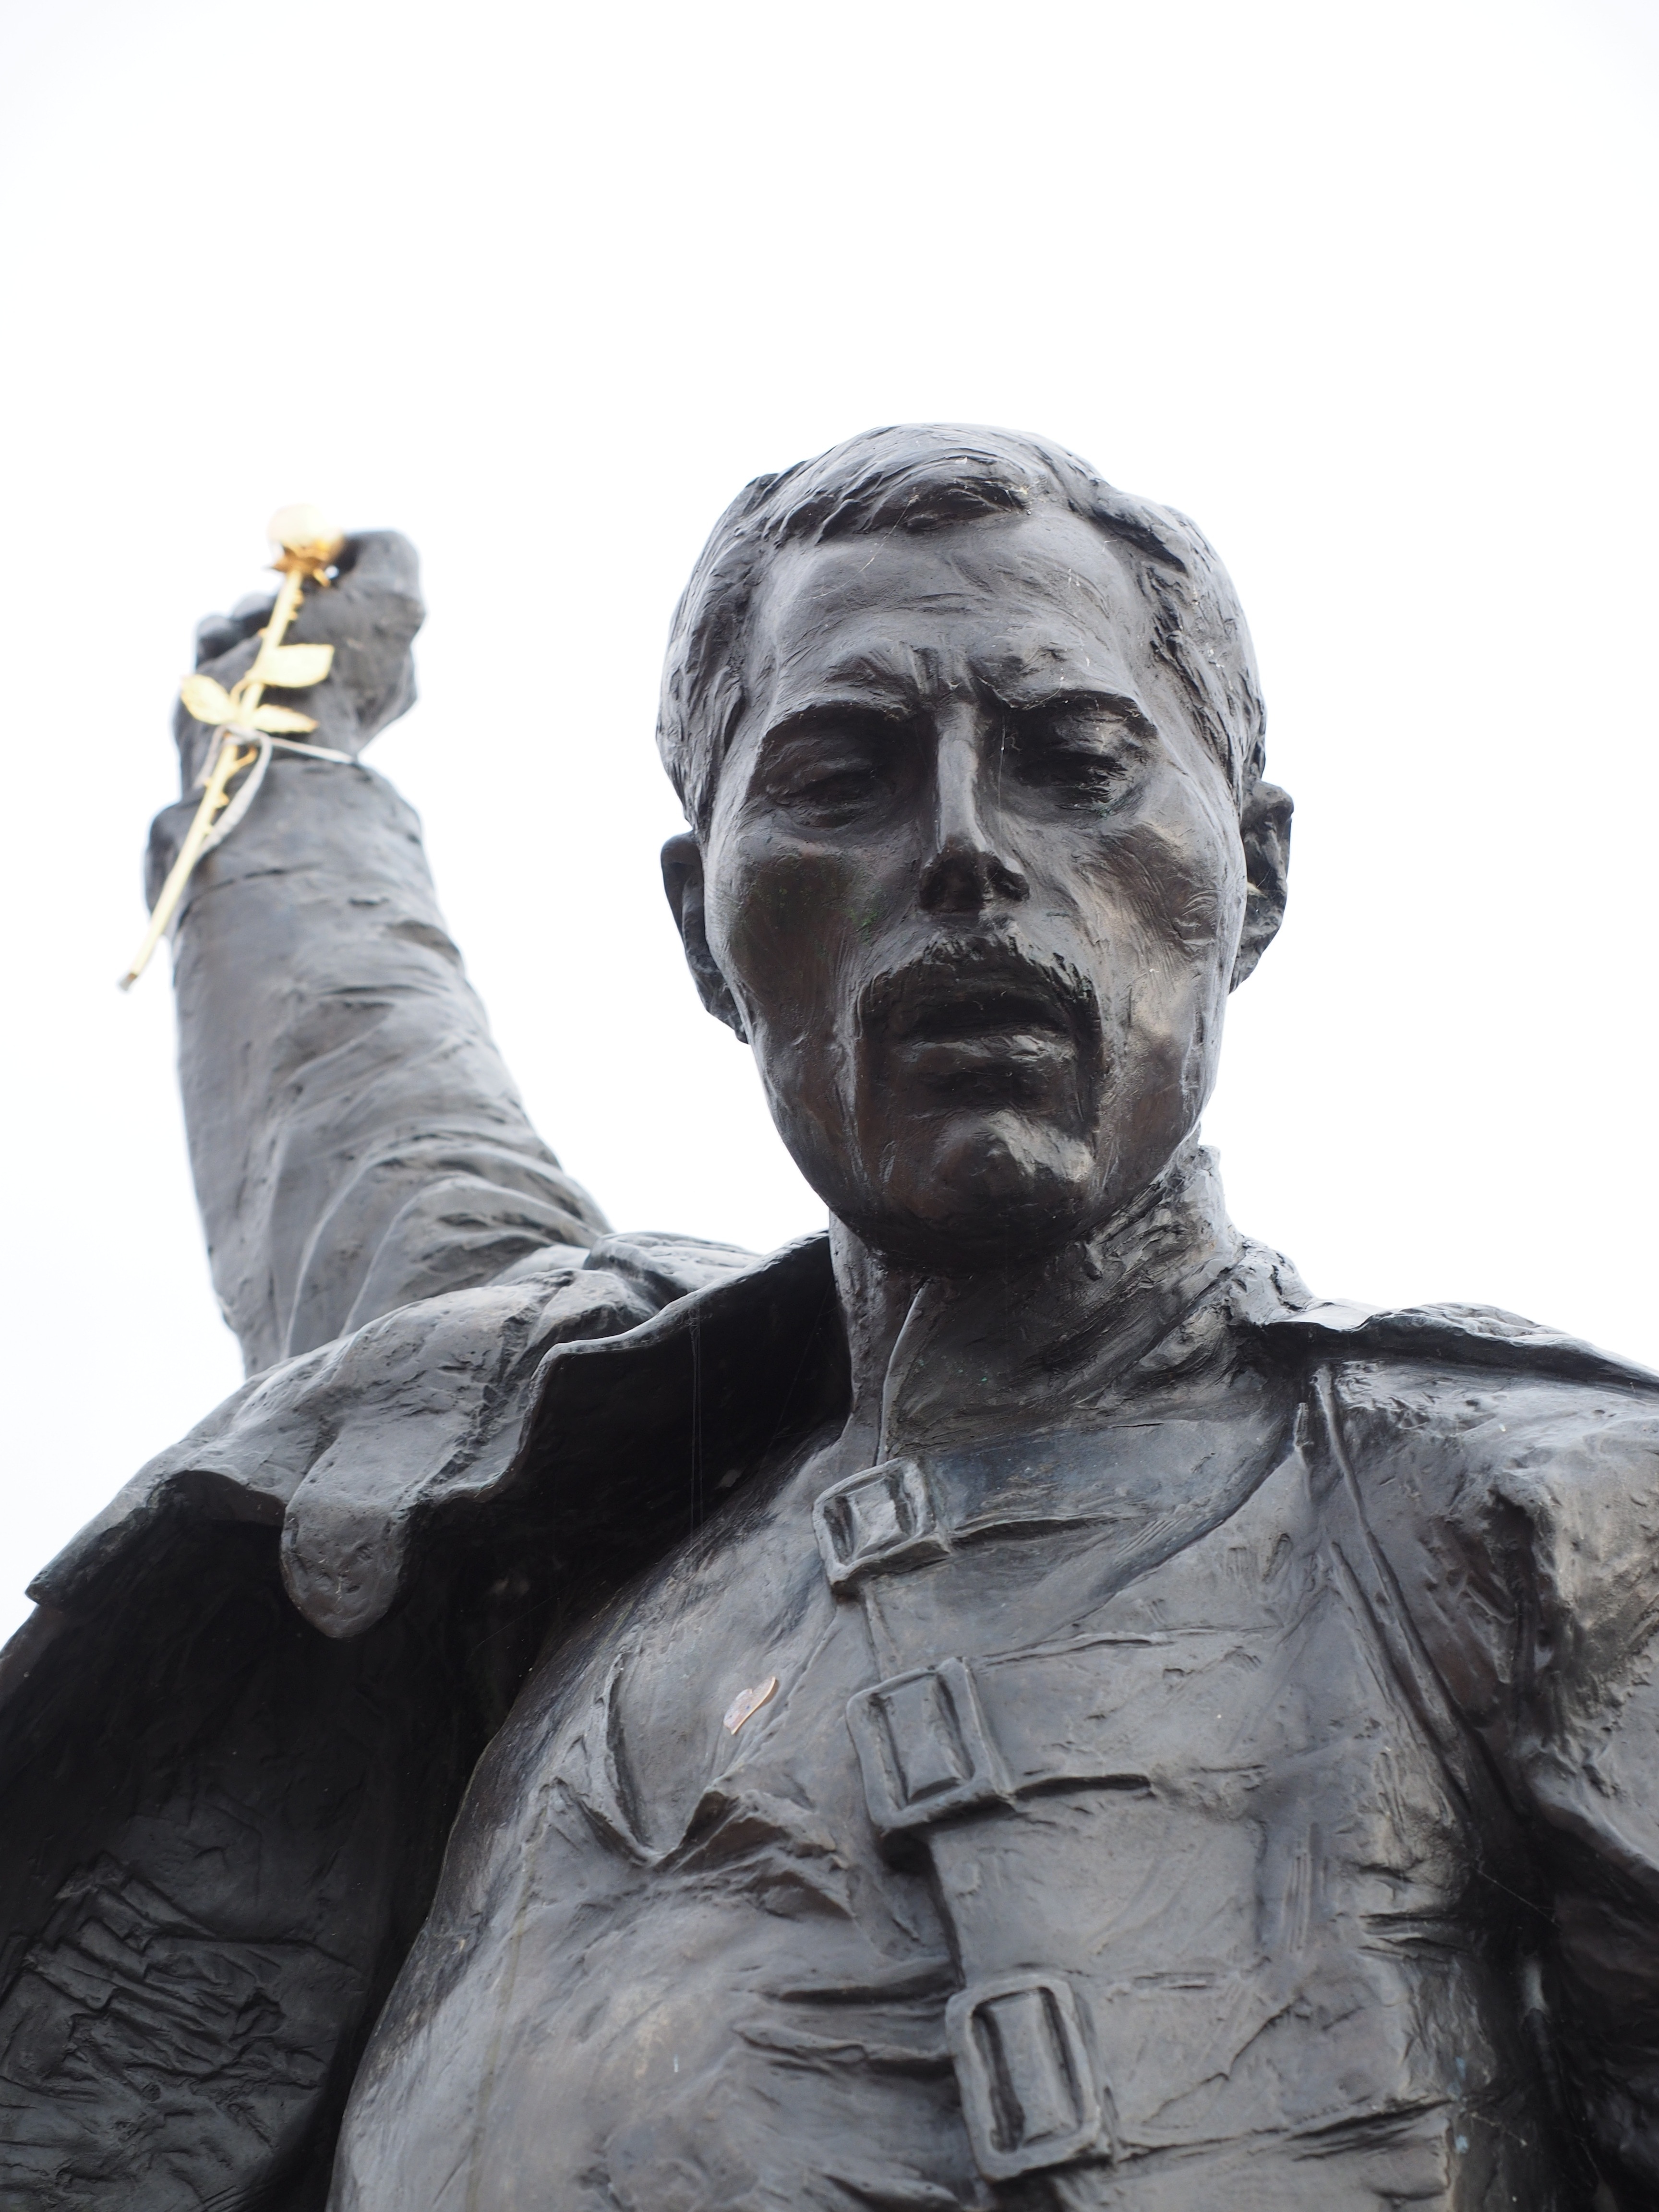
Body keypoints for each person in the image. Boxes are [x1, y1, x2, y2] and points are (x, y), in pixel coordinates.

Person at [1, 426, 1656, 2212]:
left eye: (1076, 764)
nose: (963, 852)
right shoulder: (555, 1496)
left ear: (1254, 874)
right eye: (840, 779)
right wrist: (280, 762)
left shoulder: (1522, 1510)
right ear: (703, 929)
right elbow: (353, 1113)